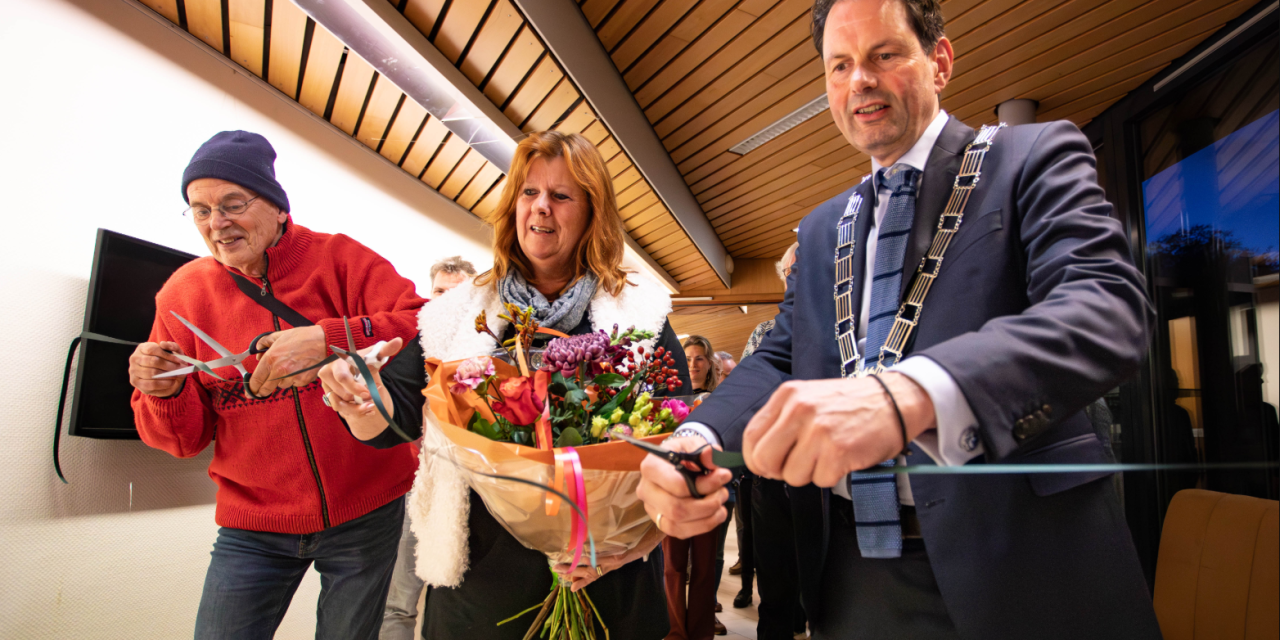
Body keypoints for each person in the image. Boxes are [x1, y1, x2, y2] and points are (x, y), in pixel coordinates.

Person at [636, 0, 1163, 638]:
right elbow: (781, 356)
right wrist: (692, 439)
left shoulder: (1032, 156)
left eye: (884, 54)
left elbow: (1104, 307)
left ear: (939, 61)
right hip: (855, 575)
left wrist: (907, 395)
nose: (859, 79)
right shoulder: (823, 225)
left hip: (1024, 565)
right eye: (840, 65)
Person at [318, 130, 690, 640]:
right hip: (483, 588)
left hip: (606, 579)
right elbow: (393, 416)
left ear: (591, 213)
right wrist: (358, 395)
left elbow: (684, 438)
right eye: (529, 193)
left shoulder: (639, 313)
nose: (541, 209)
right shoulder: (456, 314)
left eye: (561, 196)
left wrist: (636, 545)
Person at [127, 130, 425, 639]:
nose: (217, 224)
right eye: (199, 210)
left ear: (278, 207)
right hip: (252, 525)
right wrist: (161, 393)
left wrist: (328, 339)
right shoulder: (182, 294)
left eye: (232, 204)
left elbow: (424, 321)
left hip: (366, 509)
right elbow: (183, 441)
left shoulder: (339, 258)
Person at [380, 257, 476, 640]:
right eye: (439, 292)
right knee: (398, 602)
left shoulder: (489, 348)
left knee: (458, 599)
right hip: (412, 487)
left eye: (457, 294)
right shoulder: (411, 347)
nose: (446, 301)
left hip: (473, 488)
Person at [666, 336, 722, 639]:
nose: (693, 364)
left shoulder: (720, 398)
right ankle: (675, 631)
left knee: (704, 564)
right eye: (688, 357)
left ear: (708, 363)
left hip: (707, 490)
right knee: (672, 564)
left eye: (700, 358)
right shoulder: (666, 398)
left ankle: (701, 631)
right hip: (672, 490)